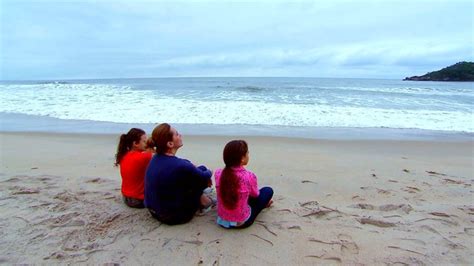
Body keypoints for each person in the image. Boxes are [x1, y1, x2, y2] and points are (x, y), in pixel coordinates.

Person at [145, 123, 214, 225]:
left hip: (153, 211)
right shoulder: (180, 165)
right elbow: (204, 175)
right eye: (177, 134)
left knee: (193, 173)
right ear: (170, 144)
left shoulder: (155, 158)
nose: (180, 135)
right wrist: (210, 171)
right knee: (200, 178)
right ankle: (205, 202)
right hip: (174, 217)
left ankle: (202, 197)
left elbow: (184, 166)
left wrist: (196, 167)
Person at [215, 140, 273, 229]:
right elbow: (255, 195)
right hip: (241, 222)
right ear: (242, 158)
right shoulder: (249, 176)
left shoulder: (218, 173)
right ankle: (264, 204)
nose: (248, 156)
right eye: (247, 153)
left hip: (222, 219)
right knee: (267, 190)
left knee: (236, 193)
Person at [115, 128, 153, 208]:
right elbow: (164, 157)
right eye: (144, 141)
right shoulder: (144, 157)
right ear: (135, 143)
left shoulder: (124, 155)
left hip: (126, 197)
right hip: (139, 200)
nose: (146, 143)